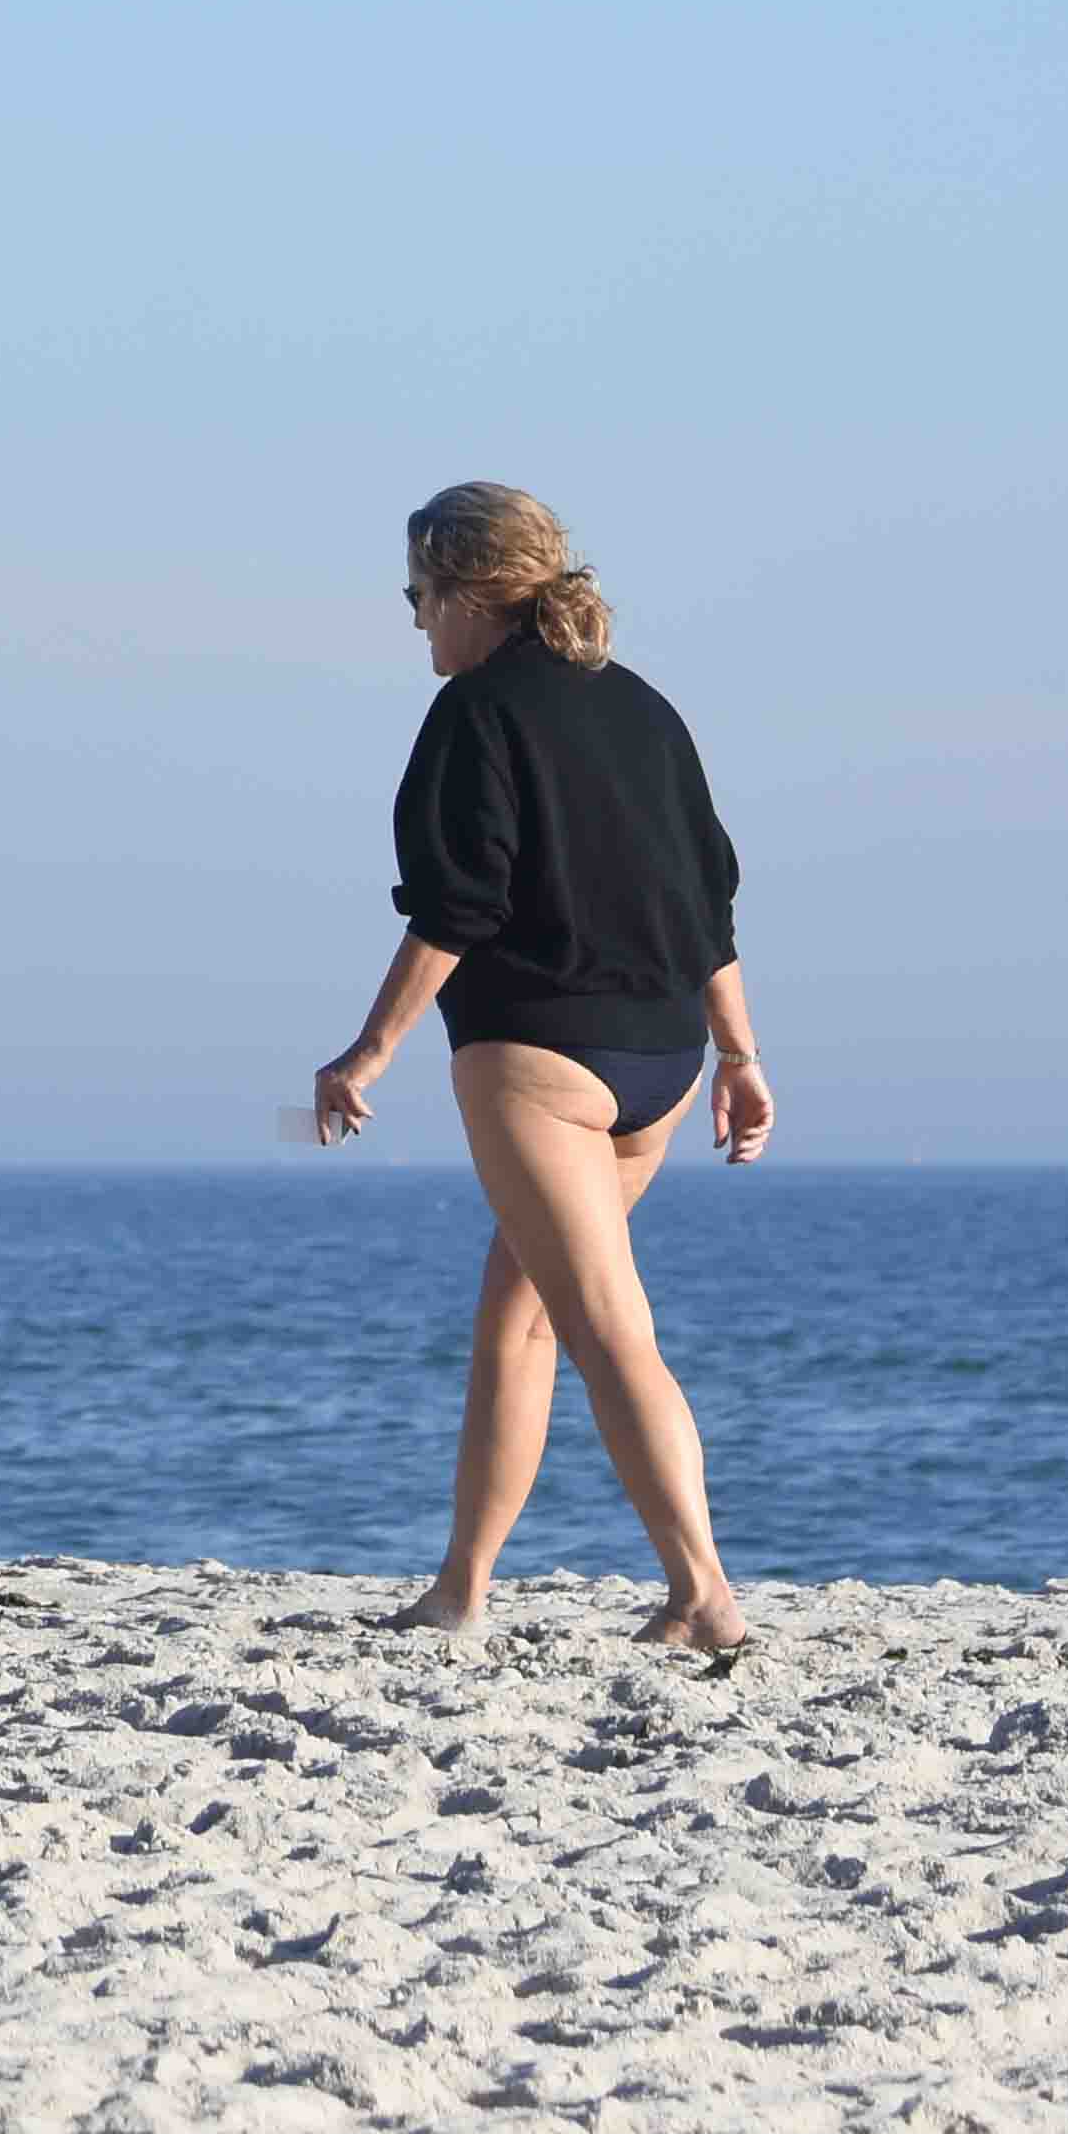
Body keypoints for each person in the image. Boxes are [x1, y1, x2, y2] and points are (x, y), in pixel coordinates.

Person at [311, 485, 774, 1649]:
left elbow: (456, 908)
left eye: (419, 594)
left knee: (606, 1325)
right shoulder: (643, 709)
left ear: (471, 593)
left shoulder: (474, 713)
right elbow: (707, 901)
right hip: (660, 1056)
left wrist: (368, 1051)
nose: (415, 619)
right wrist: (737, 1052)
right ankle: (459, 1589)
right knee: (518, 1320)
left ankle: (702, 1594)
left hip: (542, 1059)